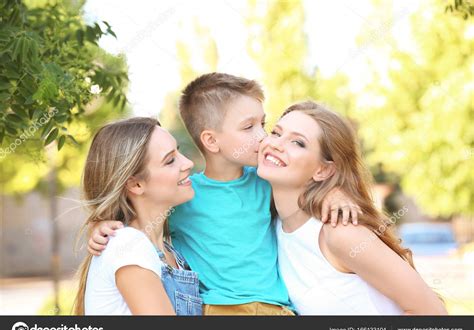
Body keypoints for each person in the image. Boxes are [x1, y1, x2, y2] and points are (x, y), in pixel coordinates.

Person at [87, 73, 360, 315]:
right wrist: (101, 224)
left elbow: (309, 182)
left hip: (277, 308)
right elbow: (134, 216)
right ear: (211, 140)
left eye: (263, 124)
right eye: (248, 127)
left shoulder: (266, 182)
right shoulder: (185, 196)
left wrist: (335, 193)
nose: (264, 137)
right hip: (221, 309)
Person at [257, 101, 448, 315]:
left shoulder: (341, 233)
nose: (276, 144)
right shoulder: (269, 223)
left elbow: (433, 313)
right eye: (275, 132)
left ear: (323, 170)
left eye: (298, 143)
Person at [74, 117, 202, 315]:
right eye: (170, 161)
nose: (188, 163)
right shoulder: (129, 246)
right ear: (135, 184)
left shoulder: (169, 251)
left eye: (179, 151)